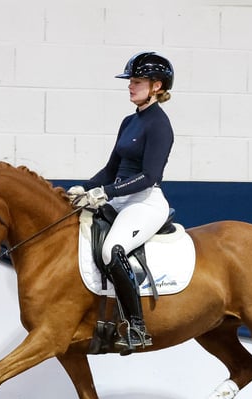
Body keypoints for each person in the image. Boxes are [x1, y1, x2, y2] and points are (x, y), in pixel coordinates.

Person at [68, 51, 175, 354]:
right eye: (130, 81)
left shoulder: (159, 125)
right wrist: (81, 188)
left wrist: (106, 193)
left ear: (156, 85)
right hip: (118, 199)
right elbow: (110, 170)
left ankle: (137, 327)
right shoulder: (129, 121)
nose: (130, 86)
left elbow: (150, 175)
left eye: (137, 81)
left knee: (111, 250)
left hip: (144, 202)